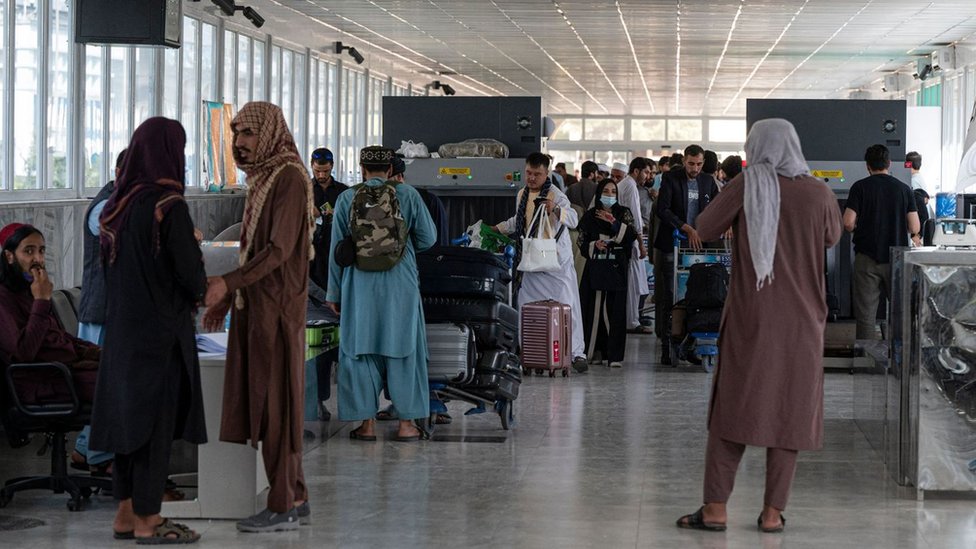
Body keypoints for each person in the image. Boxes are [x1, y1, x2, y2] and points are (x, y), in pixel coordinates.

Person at [675, 118, 843, 534]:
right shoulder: (819, 192)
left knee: (733, 407)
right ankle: (772, 513)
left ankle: (716, 508)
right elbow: (832, 237)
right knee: (789, 413)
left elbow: (705, 228)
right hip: (803, 323)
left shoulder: (748, 185)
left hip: (752, 317)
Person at [88, 117, 206, 544]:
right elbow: (190, 275)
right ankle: (148, 521)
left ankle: (124, 514)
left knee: (127, 427)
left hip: (121, 333)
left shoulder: (115, 208)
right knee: (154, 429)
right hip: (160, 335)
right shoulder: (168, 206)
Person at [202, 102, 316, 533]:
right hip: (260, 308)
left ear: (269, 134)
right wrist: (230, 298)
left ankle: (281, 503)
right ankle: (295, 494)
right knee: (272, 403)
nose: (239, 143)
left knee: (276, 406)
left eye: (248, 133)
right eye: (236, 134)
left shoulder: (287, 178)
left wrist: (227, 283)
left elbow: (279, 250)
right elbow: (254, 250)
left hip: (278, 312)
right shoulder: (264, 178)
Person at [326, 146, 437, 441]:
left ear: (362, 169)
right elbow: (429, 238)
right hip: (400, 282)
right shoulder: (408, 195)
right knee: (404, 350)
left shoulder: (346, 198)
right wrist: (403, 246)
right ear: (390, 169)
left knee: (360, 350)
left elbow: (337, 251)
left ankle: (367, 425)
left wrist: (333, 293)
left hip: (359, 285)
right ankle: (406, 425)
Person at [494, 152, 587, 373]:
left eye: (537, 174)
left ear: (547, 174)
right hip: (531, 259)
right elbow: (520, 221)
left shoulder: (556, 195)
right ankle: (528, 350)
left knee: (566, 306)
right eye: (529, 173)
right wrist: (497, 228)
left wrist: (555, 208)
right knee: (526, 305)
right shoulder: (522, 194)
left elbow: (574, 219)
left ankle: (576, 353)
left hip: (556, 263)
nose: (532, 178)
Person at [0, 223, 100, 405]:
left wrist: (94, 351)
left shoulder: (29, 291)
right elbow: (23, 354)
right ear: (9, 256)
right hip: (42, 382)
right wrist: (41, 300)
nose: (38, 259)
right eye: (29, 251)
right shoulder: (5, 298)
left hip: (65, 371)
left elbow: (56, 337)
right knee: (126, 383)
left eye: (41, 251)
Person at [71, 149, 126, 475]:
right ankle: (99, 456)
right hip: (101, 310)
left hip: (113, 309)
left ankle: (84, 449)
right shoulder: (104, 207)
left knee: (109, 382)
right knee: (103, 383)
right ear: (119, 173)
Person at [843, 144, 920, 340]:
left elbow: (848, 222)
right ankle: (899, 354)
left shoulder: (859, 187)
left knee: (866, 316)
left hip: (867, 258)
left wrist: (861, 229)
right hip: (897, 260)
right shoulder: (904, 189)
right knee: (900, 313)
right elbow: (914, 227)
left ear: (867, 166)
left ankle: (867, 356)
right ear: (889, 163)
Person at [654, 145, 720, 364]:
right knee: (671, 296)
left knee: (698, 295)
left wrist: (726, 224)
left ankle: (691, 344)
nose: (695, 168)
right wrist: (687, 228)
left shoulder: (708, 182)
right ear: (684, 161)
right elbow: (662, 209)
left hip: (699, 248)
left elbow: (717, 207)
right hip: (673, 244)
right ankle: (668, 346)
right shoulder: (671, 179)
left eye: (699, 164)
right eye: (691, 164)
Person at [577, 180, 639, 367]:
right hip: (596, 267)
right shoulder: (590, 216)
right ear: (599, 193)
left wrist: (613, 222)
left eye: (613, 192)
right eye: (605, 191)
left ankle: (614, 355)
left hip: (616, 268)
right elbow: (582, 241)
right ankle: (594, 351)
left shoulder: (623, 213)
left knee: (615, 310)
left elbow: (631, 236)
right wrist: (594, 244)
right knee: (592, 309)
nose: (610, 195)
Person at [616, 158, 652, 332]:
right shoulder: (630, 186)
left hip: (627, 238)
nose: (648, 176)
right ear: (636, 171)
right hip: (630, 240)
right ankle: (632, 322)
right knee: (633, 282)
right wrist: (640, 243)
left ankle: (632, 318)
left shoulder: (627, 184)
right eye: (646, 172)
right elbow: (634, 217)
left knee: (633, 281)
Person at [309, 147, 348, 292]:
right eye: (317, 171)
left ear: (332, 166)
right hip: (312, 249)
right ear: (311, 165)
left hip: (336, 247)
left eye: (325, 171)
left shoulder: (343, 191)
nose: (321, 175)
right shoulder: (304, 190)